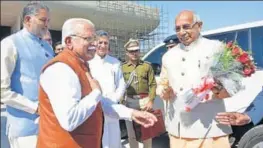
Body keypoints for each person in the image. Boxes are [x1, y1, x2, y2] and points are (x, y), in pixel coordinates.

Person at [37, 18, 157, 148]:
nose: (95, 44)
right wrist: (96, 93)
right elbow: (69, 120)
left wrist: (131, 114)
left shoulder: (82, 65)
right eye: (88, 39)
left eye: (94, 39)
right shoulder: (60, 69)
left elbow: (100, 103)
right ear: (69, 42)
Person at [157, 10, 232, 148]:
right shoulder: (168, 56)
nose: (181, 32)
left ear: (199, 26)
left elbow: (231, 87)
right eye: (177, 28)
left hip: (211, 128)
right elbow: (162, 83)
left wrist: (217, 89)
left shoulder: (216, 48)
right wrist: (164, 91)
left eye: (186, 27)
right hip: (180, 130)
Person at [0, 2, 54, 148]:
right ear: (28, 20)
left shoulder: (48, 47)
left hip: (49, 126)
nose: (47, 24)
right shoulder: (10, 44)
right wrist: (35, 108)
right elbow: (2, 91)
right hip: (25, 130)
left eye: (48, 21)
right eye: (43, 20)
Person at [88, 30, 125, 148]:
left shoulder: (115, 63)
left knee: (113, 140)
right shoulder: (88, 62)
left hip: (112, 105)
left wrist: (115, 99)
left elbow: (121, 84)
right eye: (100, 42)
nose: (103, 46)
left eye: (105, 43)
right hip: (95, 107)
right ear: (94, 43)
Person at [122, 38, 157, 148]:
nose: (134, 53)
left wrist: (151, 101)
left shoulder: (147, 66)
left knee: (146, 131)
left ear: (139, 51)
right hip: (130, 101)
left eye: (136, 50)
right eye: (131, 51)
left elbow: (153, 84)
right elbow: (120, 86)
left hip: (144, 101)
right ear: (127, 53)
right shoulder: (122, 68)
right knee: (131, 132)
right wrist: (122, 102)